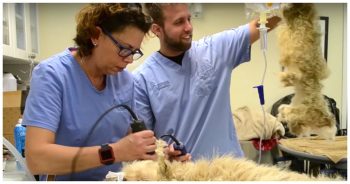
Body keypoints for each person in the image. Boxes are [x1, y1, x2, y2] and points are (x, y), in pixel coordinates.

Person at [22, 3, 157, 181]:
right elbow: (37, 159)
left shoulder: (125, 81)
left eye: (134, 51)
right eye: (124, 49)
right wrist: (112, 152)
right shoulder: (52, 75)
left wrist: (159, 153)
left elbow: (129, 144)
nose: (129, 60)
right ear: (95, 35)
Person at [133, 3, 281, 160]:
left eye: (189, 19)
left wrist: (287, 8)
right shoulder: (142, 79)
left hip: (232, 170)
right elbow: (146, 146)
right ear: (157, 29)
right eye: (179, 22)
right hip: (184, 175)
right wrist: (164, 154)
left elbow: (264, 23)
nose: (188, 27)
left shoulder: (215, 50)